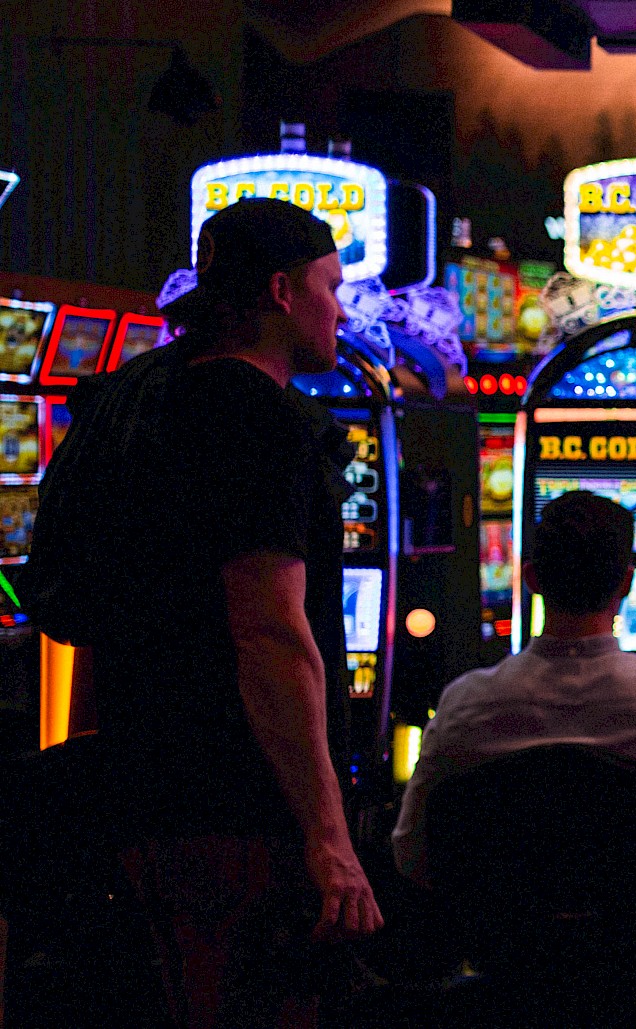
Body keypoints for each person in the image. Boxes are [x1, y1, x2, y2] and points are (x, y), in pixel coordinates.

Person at [22, 198, 381, 1028]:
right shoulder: (256, 417)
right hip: (238, 806)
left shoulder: (144, 396)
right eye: (333, 286)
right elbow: (270, 636)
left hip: (148, 786)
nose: (343, 308)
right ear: (283, 292)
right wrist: (328, 834)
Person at [390, 491, 636, 889]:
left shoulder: (464, 705)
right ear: (627, 583)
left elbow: (411, 857)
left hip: (499, 943)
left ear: (531, 579)